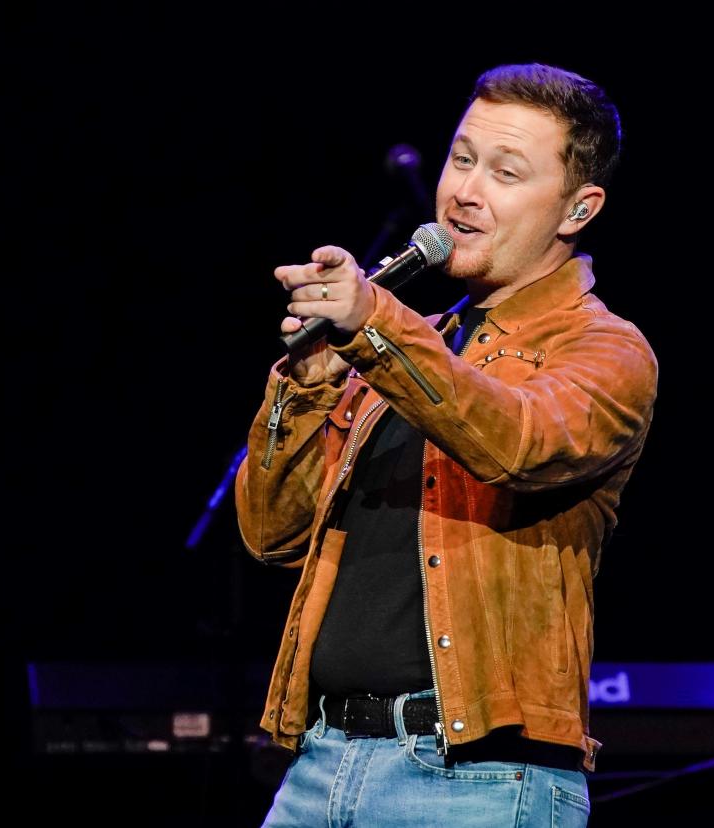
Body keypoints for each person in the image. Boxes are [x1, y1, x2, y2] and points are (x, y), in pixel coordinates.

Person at [234, 63, 658, 827]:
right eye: (461, 159)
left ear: (578, 208)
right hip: (320, 766)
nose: (465, 189)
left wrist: (377, 328)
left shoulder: (607, 351)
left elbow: (516, 443)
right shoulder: (408, 350)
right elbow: (271, 535)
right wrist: (305, 385)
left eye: (505, 172)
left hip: (479, 781)